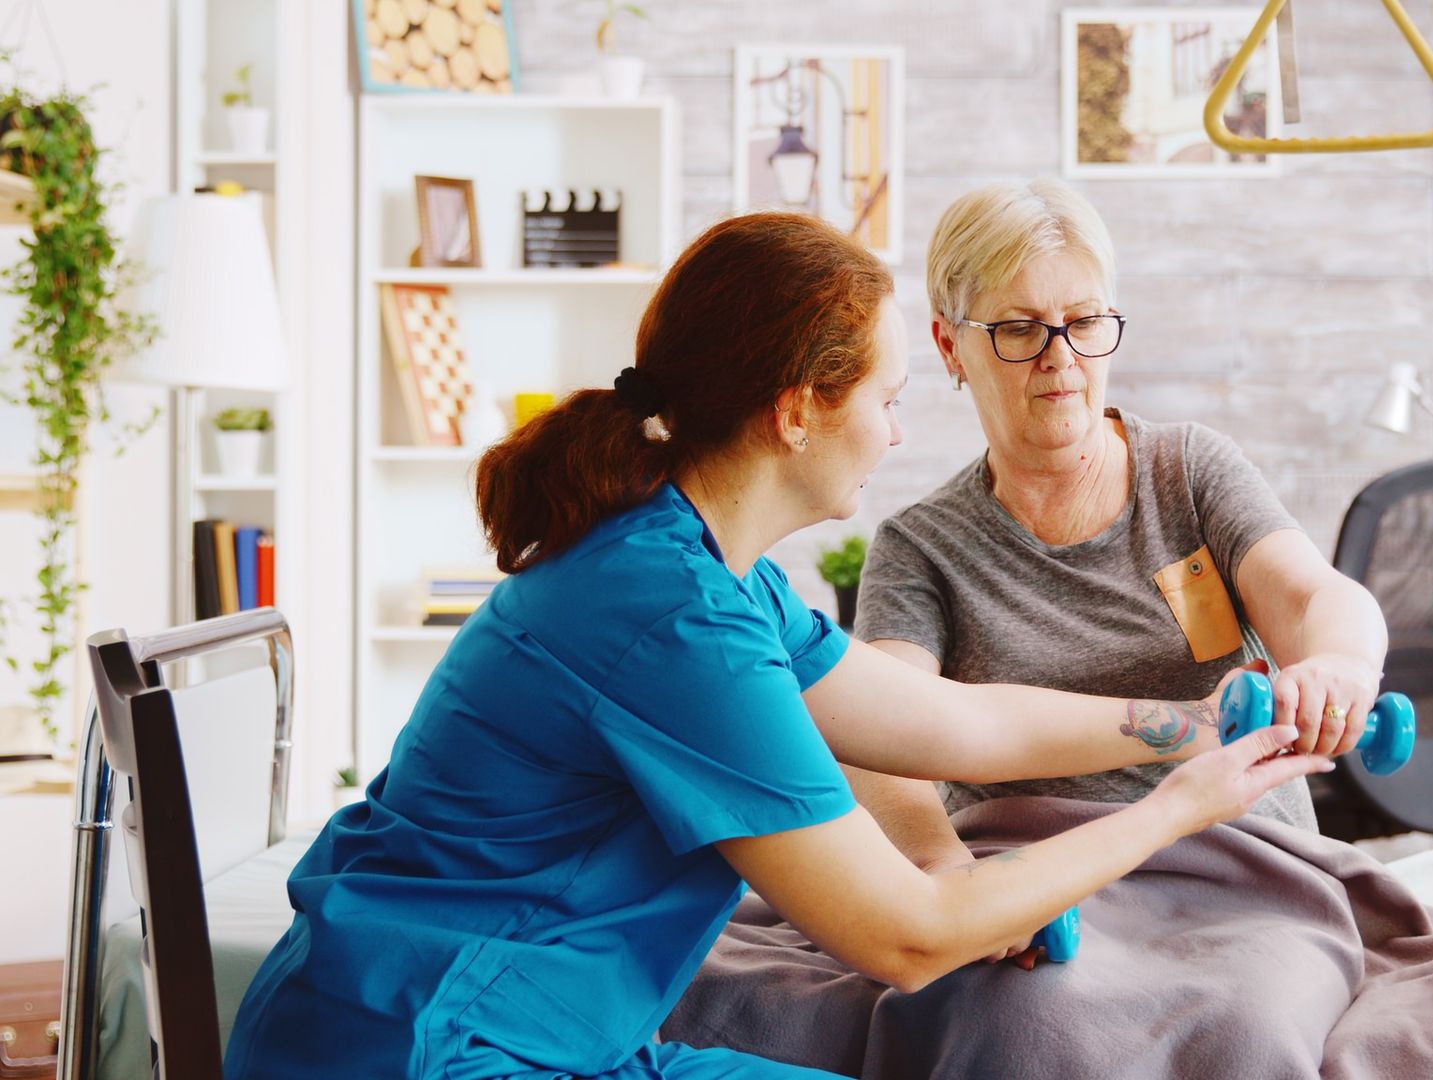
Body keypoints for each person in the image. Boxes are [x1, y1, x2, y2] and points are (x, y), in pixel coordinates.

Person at [223, 211, 1331, 1080]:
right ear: (798, 411)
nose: (898, 433)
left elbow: (959, 721)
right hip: (430, 1050)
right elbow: (908, 937)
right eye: (887, 398)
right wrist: (1180, 804)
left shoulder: (713, 574)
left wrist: (1191, 727)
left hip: (539, 1037)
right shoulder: (670, 617)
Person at [849, 178, 1390, 884]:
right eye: (1019, 328)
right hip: (1038, 880)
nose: (1060, 356)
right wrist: (942, 865)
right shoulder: (921, 549)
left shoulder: (1191, 472)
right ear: (950, 346)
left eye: (1085, 321)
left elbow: (1310, 595)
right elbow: (887, 740)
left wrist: (1343, 665)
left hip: (1237, 864)